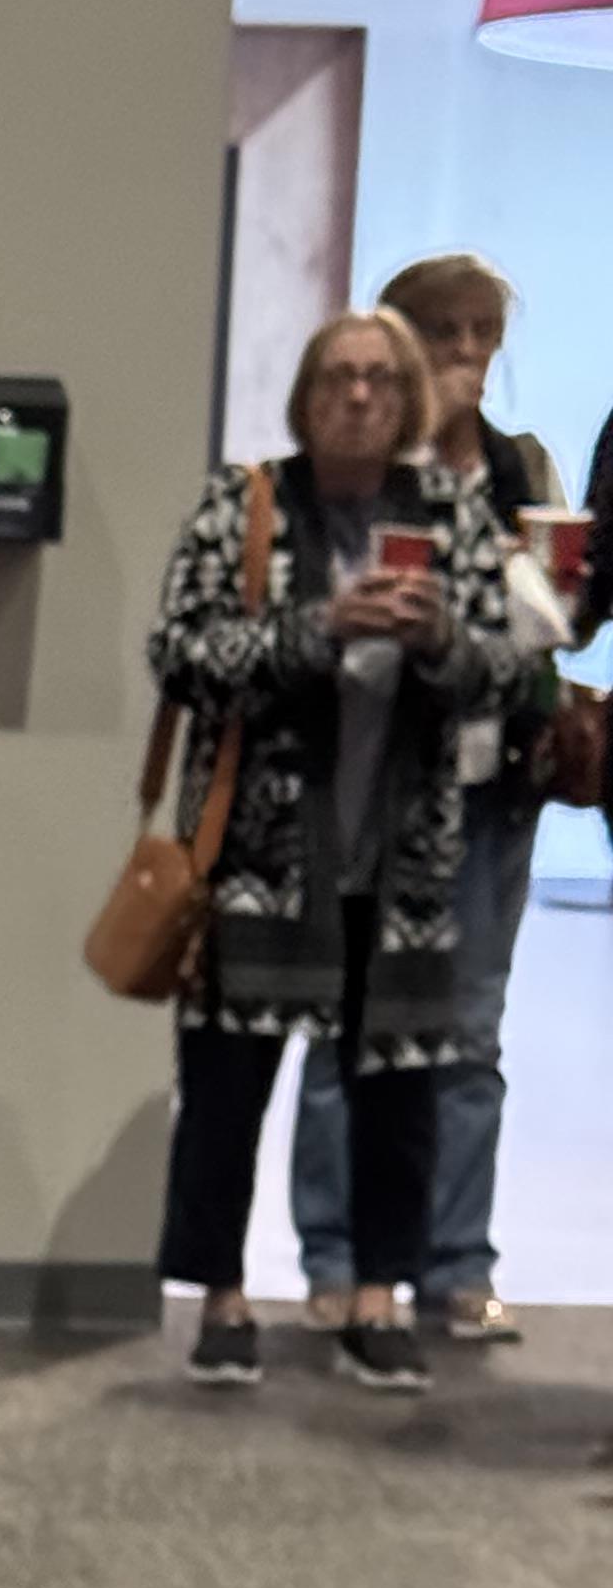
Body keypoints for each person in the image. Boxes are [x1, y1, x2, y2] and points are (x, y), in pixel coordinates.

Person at [150, 306, 521, 1393]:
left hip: (402, 867)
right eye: (336, 379)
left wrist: (439, 638)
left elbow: (507, 672)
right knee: (226, 1084)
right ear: (306, 397)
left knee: (398, 1085)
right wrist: (322, 630)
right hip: (261, 865)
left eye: (377, 381)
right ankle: (221, 1295)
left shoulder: (451, 517)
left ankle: (377, 1297)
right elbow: (178, 652)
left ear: (407, 401)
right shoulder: (246, 504)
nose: (358, 397)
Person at [290, 255, 567, 1344]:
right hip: (374, 783)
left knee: (470, 1031)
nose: (466, 357)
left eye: (482, 334)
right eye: (443, 334)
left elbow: (551, 620)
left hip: (493, 780)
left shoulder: (519, 464)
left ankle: (456, 1262)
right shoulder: (353, 468)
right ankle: (336, 1257)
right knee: (347, 1027)